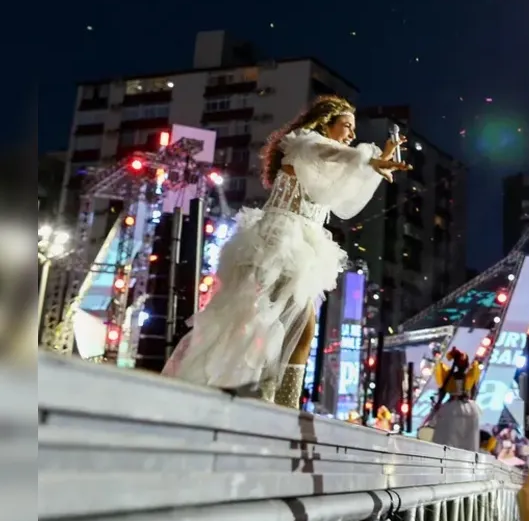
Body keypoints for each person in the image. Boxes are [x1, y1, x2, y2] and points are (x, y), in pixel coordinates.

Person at [163, 95, 408, 407]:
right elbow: (330, 151)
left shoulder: (329, 166)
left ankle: (281, 403)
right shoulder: (304, 143)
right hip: (281, 240)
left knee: (297, 328)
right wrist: (369, 159)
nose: (351, 135)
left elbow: (348, 192)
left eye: (353, 130)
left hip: (303, 244)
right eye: (346, 126)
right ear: (325, 124)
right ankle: (268, 400)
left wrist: (374, 167)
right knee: (274, 324)